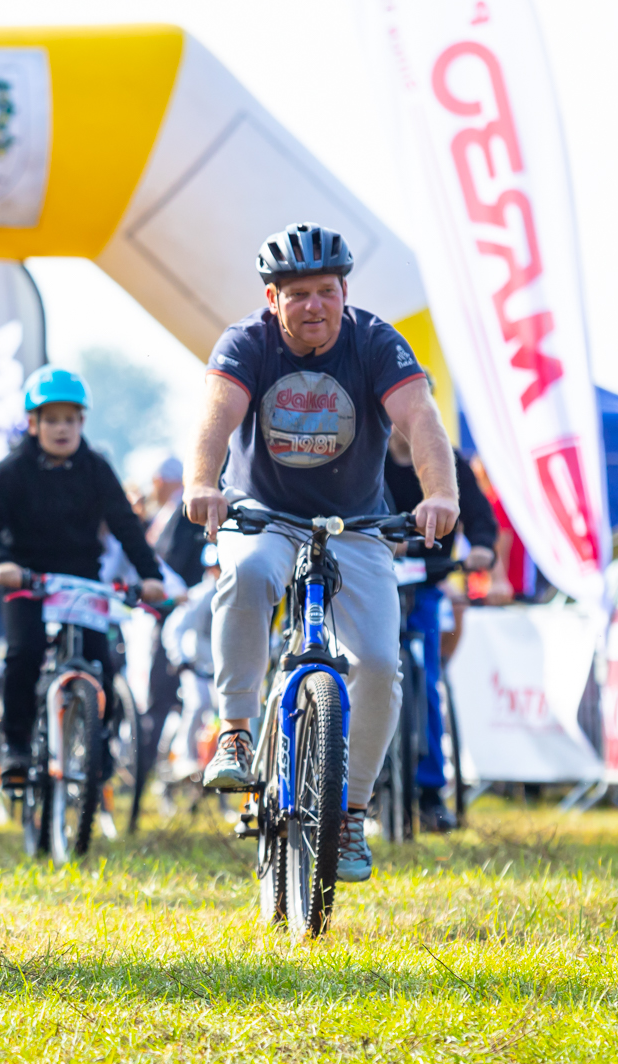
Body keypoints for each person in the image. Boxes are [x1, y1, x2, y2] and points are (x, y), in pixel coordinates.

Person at [185, 221, 459, 885]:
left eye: (327, 291)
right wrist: (201, 482)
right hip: (266, 514)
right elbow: (216, 416)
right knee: (246, 574)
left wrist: (440, 494)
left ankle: (351, 812)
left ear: (345, 291)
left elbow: (420, 417)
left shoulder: (375, 342)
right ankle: (237, 728)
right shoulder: (247, 342)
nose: (315, 305)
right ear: (273, 298)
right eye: (298, 292)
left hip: (355, 520)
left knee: (375, 662)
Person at [0, 366, 170, 791]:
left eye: (70, 419)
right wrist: (0, 561)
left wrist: (152, 576)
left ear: (82, 422)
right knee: (23, 654)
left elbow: (126, 526)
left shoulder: (96, 467)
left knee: (104, 662)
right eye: (51, 419)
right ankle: (17, 748)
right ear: (33, 423)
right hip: (27, 579)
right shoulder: (12, 470)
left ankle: (97, 747)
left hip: (82, 579)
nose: (61, 428)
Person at [386, 430, 498, 832]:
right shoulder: (367, 454)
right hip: (372, 581)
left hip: (426, 585)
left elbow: (482, 520)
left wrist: (482, 547)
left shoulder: (448, 462)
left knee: (426, 678)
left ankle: (431, 791)